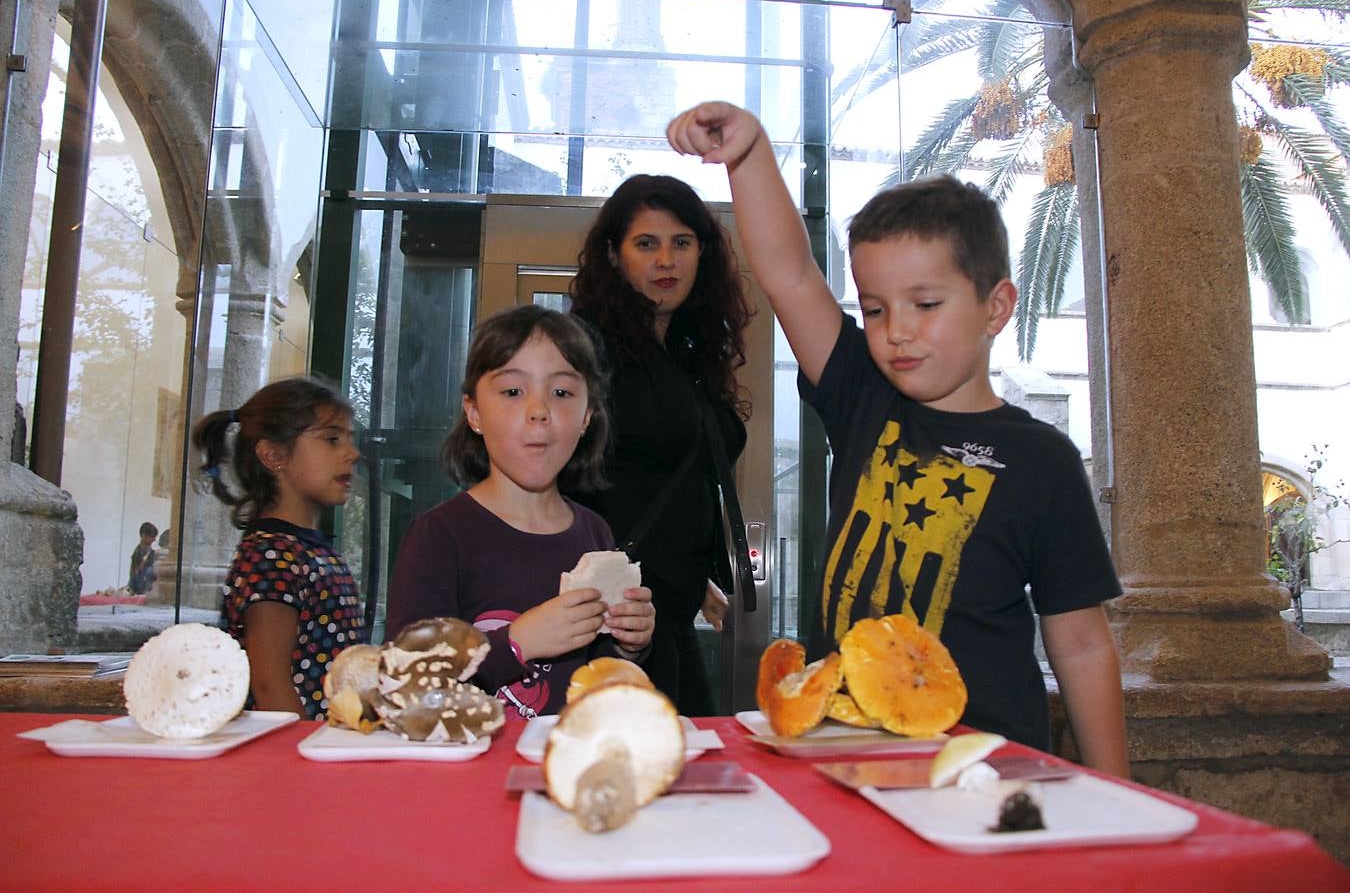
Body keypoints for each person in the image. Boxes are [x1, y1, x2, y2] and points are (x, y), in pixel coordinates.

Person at [667, 102, 1130, 776]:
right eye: (876, 309)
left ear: (995, 307)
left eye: (927, 304)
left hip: (983, 765)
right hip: (843, 749)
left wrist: (1115, 791)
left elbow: (1082, 643)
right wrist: (749, 152)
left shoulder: (1042, 459)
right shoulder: (864, 396)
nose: (897, 331)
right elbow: (790, 274)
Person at [385, 305, 656, 719]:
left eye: (562, 392)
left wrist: (628, 644)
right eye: (513, 391)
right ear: (474, 412)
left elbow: (596, 673)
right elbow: (407, 687)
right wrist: (516, 643)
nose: (539, 410)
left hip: (565, 766)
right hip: (469, 773)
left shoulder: (595, 533)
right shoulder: (439, 536)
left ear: (587, 416)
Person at [567, 174, 754, 717]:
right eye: (646, 244)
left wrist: (694, 581)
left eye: (681, 243)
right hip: (608, 617)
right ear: (613, 254)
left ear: (703, 252)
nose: (665, 261)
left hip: (664, 605)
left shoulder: (688, 353)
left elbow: (673, 476)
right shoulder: (586, 348)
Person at [193, 378, 365, 720]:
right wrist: (301, 756)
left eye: (349, 440)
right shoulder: (271, 556)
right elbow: (269, 683)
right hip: (298, 754)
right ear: (273, 455)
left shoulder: (311, 550)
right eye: (331, 439)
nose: (352, 453)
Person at [126, 521, 159, 595]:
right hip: (141, 585)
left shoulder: (150, 551)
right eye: (152, 536)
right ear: (144, 536)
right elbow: (134, 572)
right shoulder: (139, 551)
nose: (154, 540)